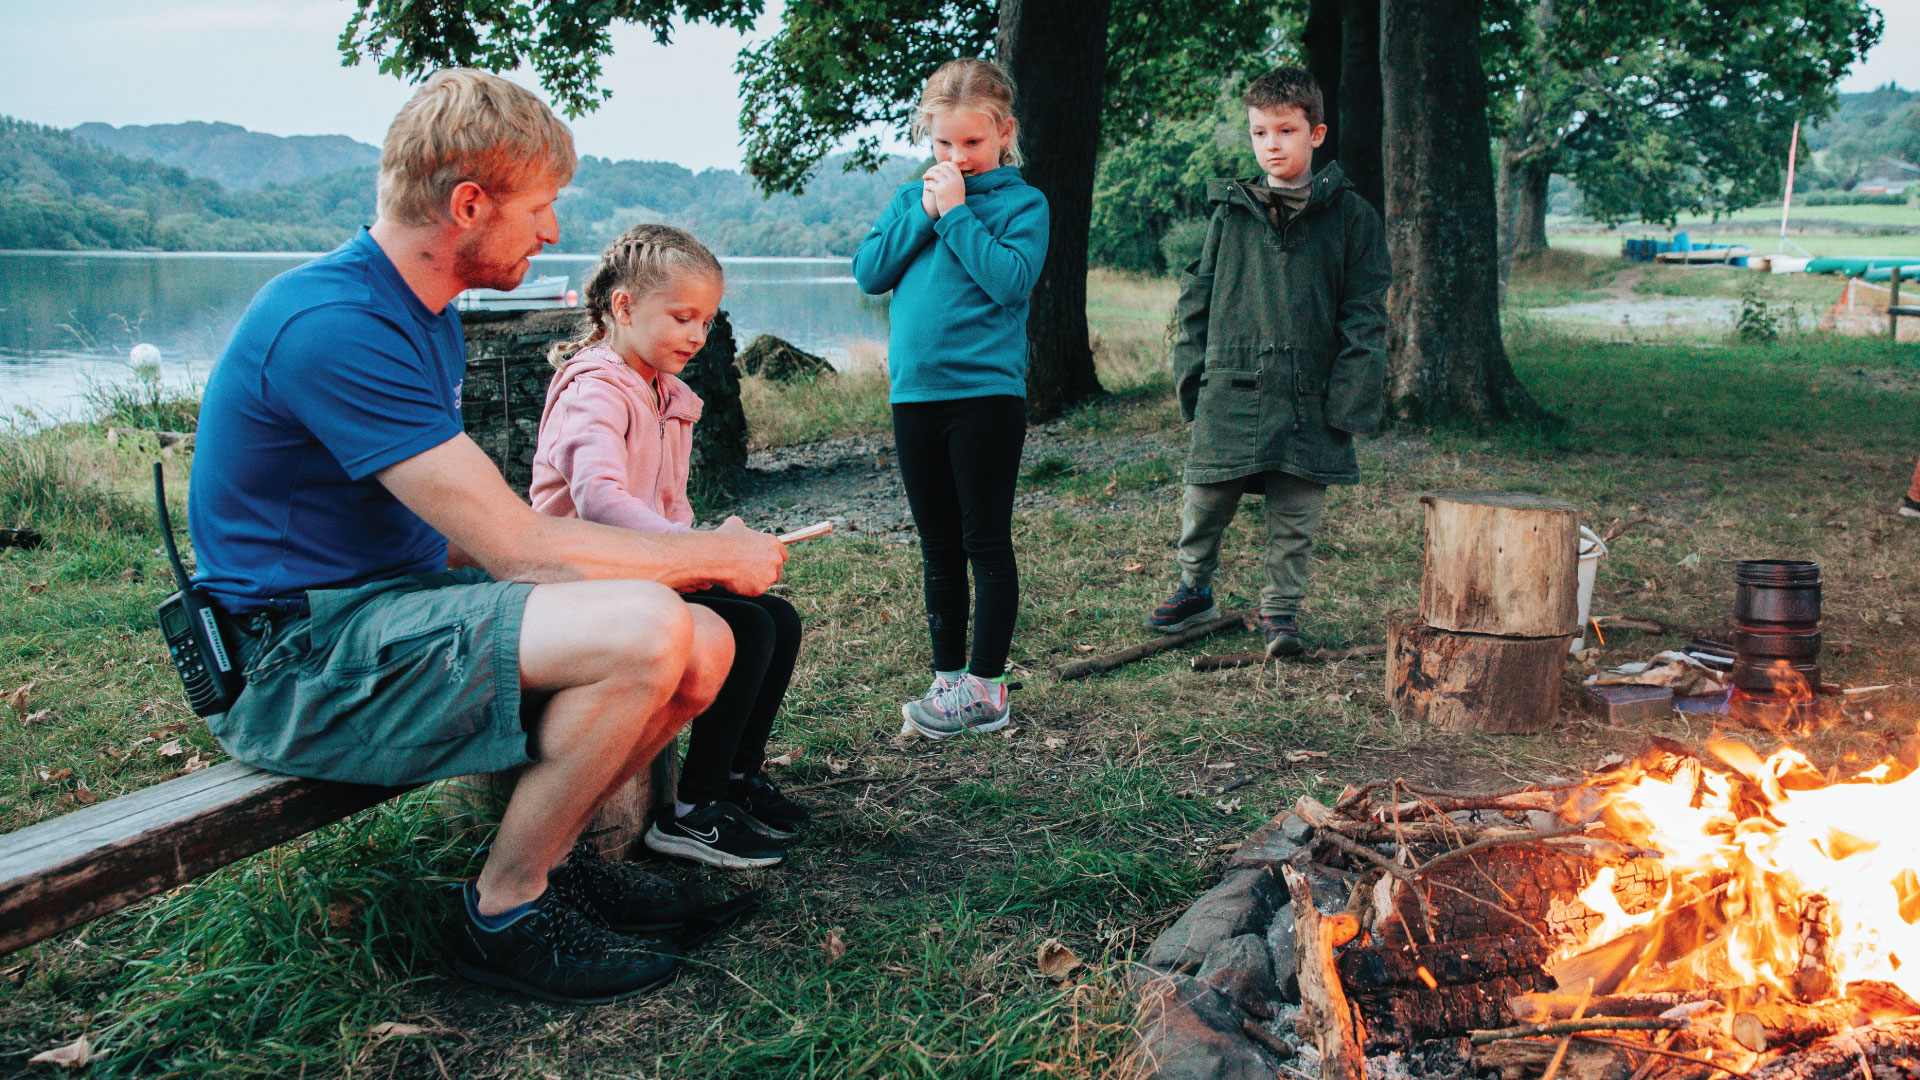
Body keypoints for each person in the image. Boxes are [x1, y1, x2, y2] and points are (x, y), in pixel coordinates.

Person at [187, 70, 788, 1004]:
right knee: (653, 627)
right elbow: (524, 549)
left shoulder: (421, 318)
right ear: (469, 204)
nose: (552, 233)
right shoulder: (334, 324)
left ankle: (561, 863)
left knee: (703, 642)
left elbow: (466, 536)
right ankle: (506, 912)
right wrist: (709, 554)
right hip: (294, 660)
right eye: (542, 208)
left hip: (386, 610)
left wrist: (662, 562)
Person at [530, 223, 808, 871]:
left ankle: (737, 777)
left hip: (634, 576)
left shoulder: (665, 394)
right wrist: (701, 553)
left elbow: (666, 510)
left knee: (776, 619)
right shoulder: (595, 388)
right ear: (623, 307)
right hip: (577, 585)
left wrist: (702, 555)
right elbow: (599, 501)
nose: (696, 335)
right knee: (743, 629)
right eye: (682, 316)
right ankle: (694, 812)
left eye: (706, 321)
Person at [1144, 66, 1391, 657]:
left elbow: (1365, 314)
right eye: (1259, 132)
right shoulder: (1231, 212)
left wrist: (1349, 399)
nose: (1271, 144)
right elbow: (1195, 298)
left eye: (1286, 130)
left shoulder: (1353, 217)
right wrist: (1190, 379)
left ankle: (1280, 613)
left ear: (1317, 134)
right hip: (1232, 381)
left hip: (1311, 390)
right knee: (1206, 499)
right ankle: (1194, 588)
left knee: (1296, 511)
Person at [851, 58, 1049, 740]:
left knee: (984, 540)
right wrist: (929, 213)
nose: (957, 156)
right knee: (937, 545)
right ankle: (947, 682)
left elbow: (1009, 282)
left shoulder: (1024, 205)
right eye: (943, 144)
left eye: (971, 143)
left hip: (986, 397)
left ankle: (987, 691)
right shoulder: (914, 199)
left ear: (1003, 134)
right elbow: (871, 271)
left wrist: (958, 216)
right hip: (915, 396)